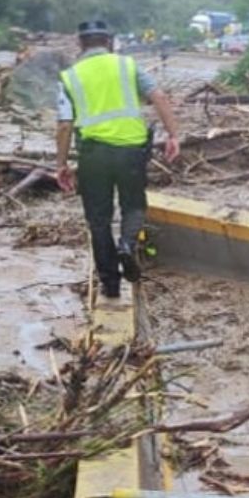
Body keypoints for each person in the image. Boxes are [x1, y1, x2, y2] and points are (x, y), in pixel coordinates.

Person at [55, 20, 181, 299]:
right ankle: (126, 244)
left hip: (93, 155)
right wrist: (173, 135)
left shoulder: (69, 77)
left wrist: (61, 164)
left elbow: (64, 125)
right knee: (133, 205)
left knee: (98, 220)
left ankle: (110, 285)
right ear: (109, 42)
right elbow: (158, 96)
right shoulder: (128, 66)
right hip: (131, 150)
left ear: (80, 44)